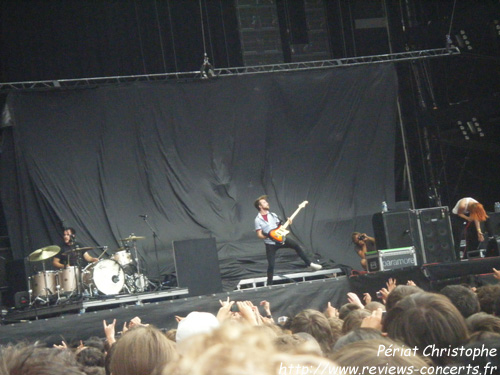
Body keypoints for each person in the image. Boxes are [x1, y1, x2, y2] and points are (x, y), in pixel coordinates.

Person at [254, 195, 321, 286]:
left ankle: (309, 264)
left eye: (266, 202)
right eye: (264, 202)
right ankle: (269, 285)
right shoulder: (257, 220)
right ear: (260, 206)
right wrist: (270, 236)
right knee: (271, 265)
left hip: (281, 238)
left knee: (296, 246)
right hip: (270, 244)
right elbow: (259, 234)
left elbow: (280, 226)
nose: (267, 203)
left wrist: (288, 222)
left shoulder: (273, 215)